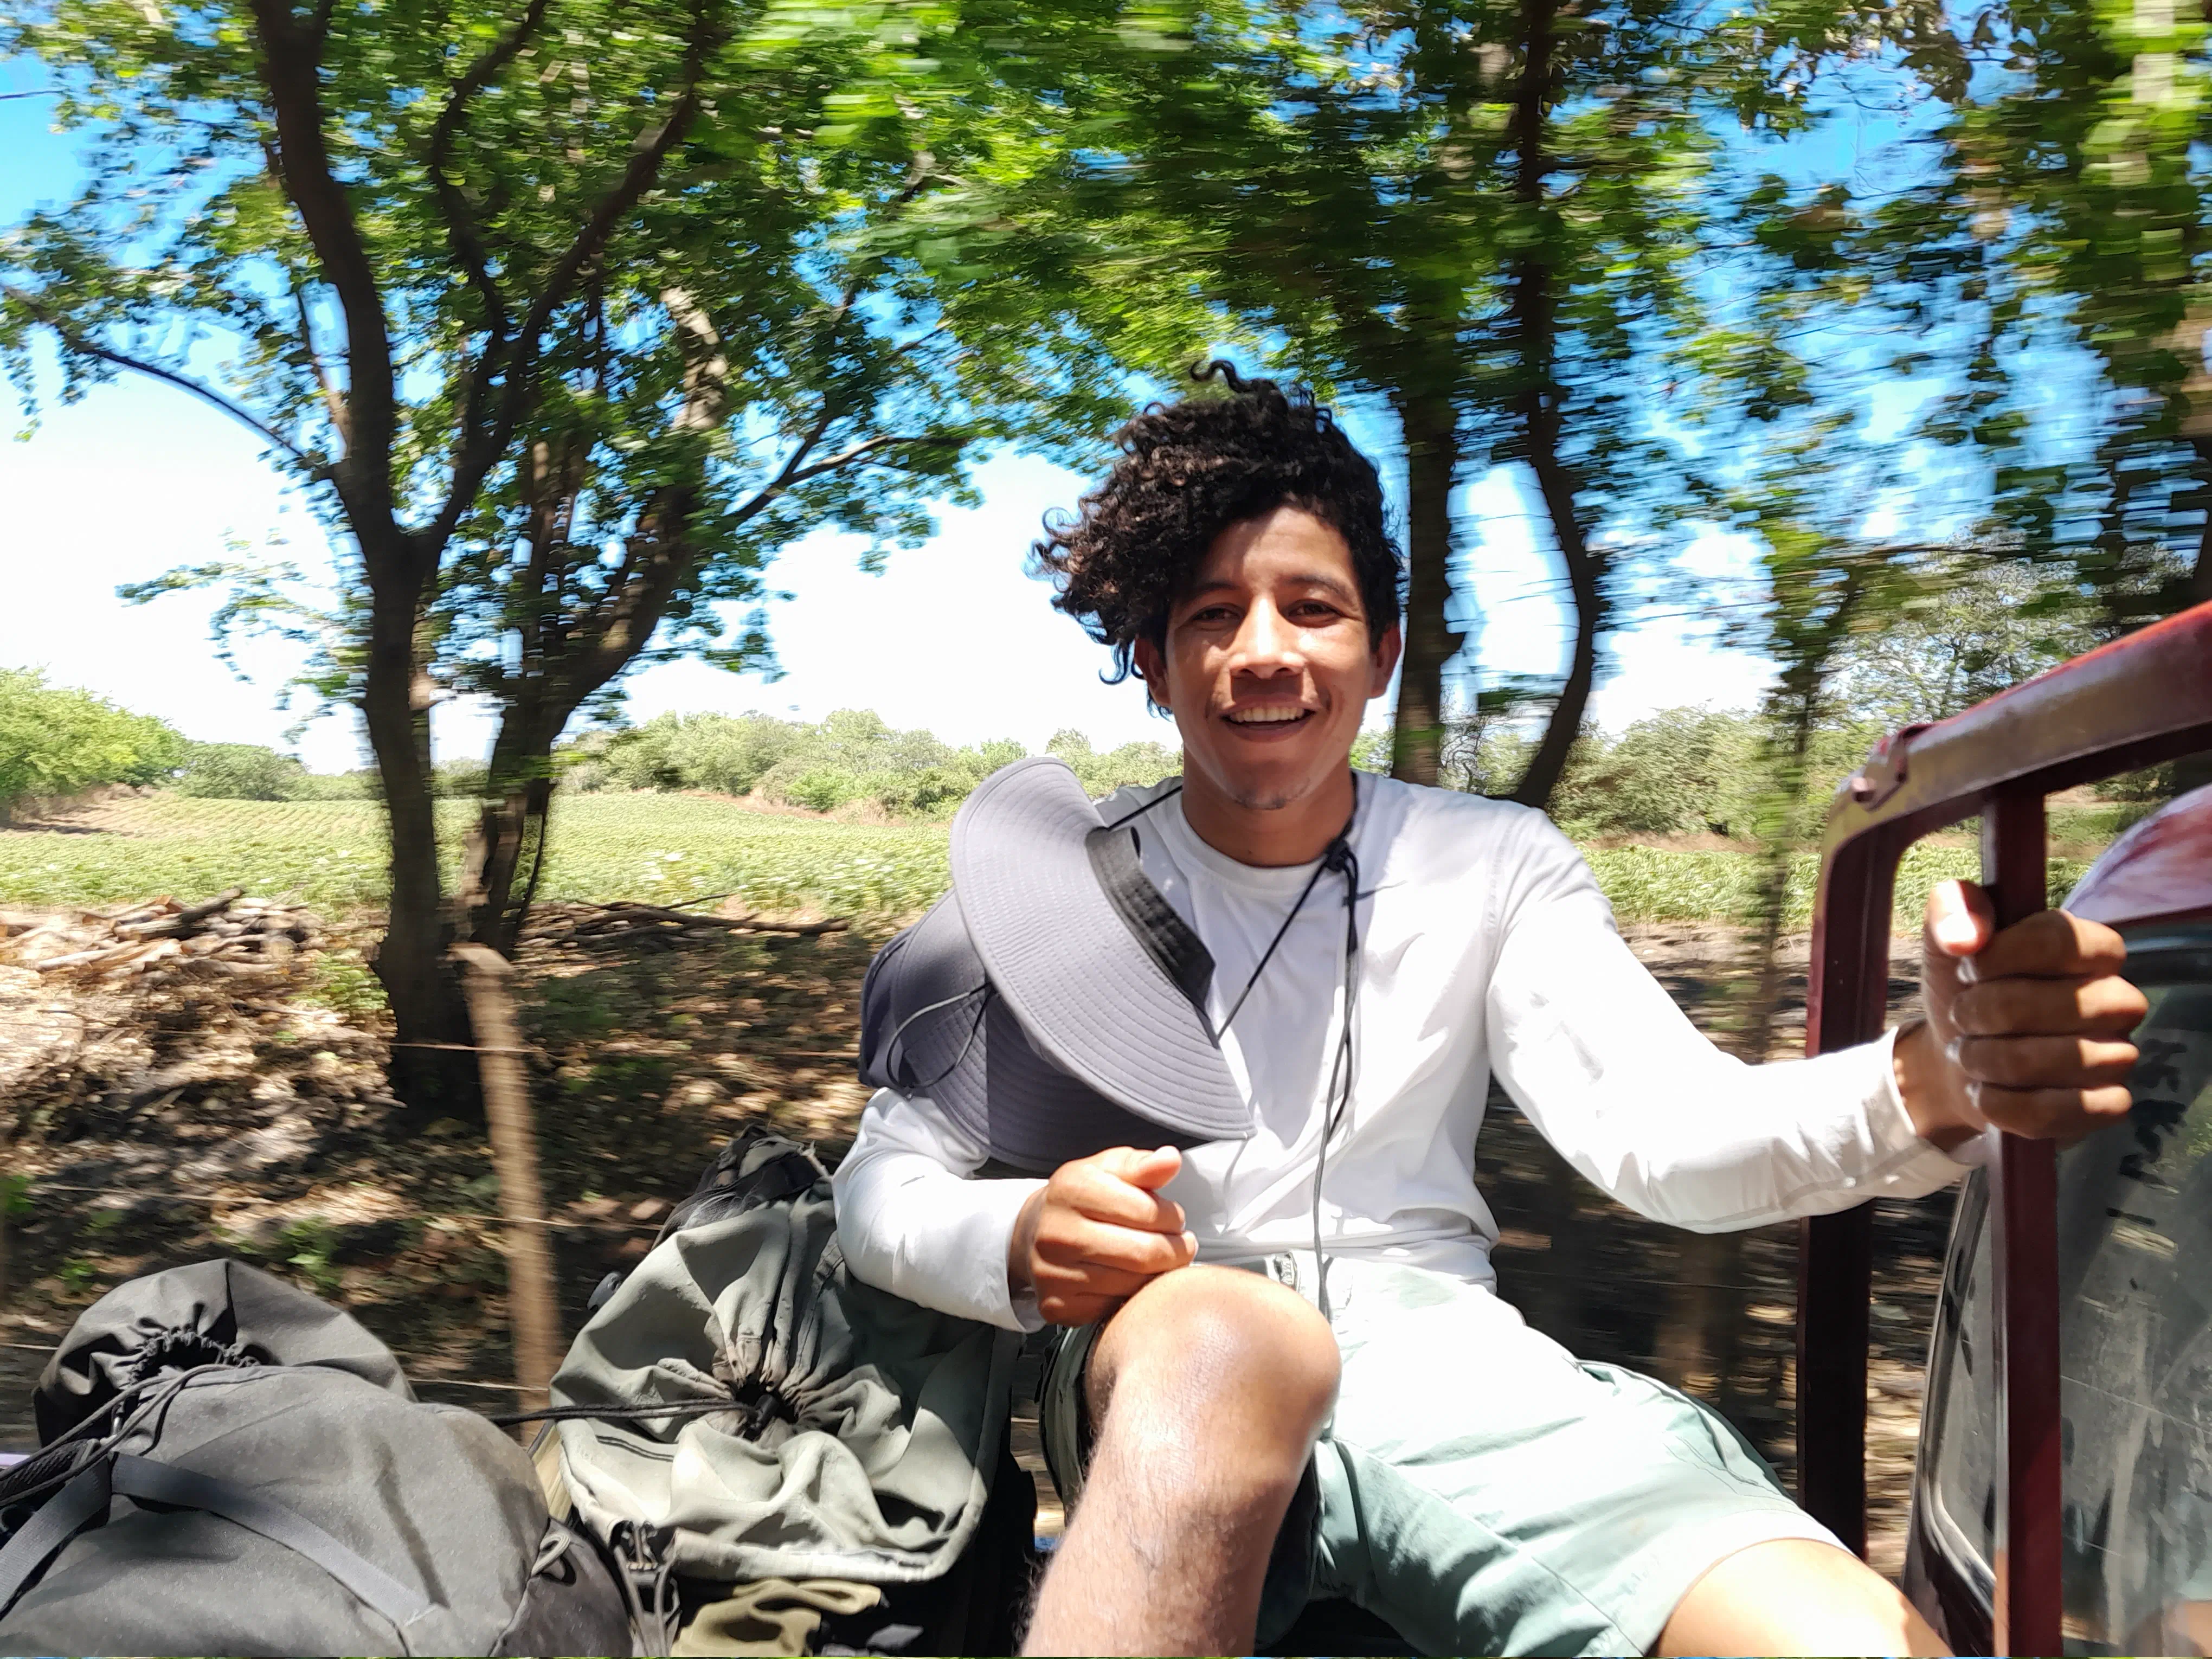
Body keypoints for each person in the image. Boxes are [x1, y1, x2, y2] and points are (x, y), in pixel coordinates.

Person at [829, 366, 2147, 1657]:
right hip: (1164, 1344)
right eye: (1212, 616)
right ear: (1156, 668)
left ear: (1382, 653)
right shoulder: (1056, 891)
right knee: (1233, 1336)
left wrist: (1928, 1081)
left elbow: (1669, 1134)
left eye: (1313, 608)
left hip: (1446, 1365)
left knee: (1834, 1634)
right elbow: (881, 1187)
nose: (1264, 651)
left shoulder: (1492, 862)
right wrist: (1020, 1235)